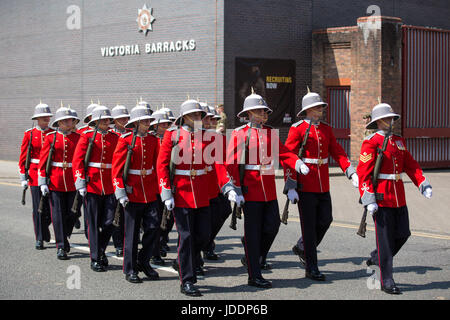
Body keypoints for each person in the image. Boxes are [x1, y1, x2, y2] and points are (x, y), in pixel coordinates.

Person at [157, 99, 240, 297]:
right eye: (194, 115)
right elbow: (162, 165)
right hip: (182, 193)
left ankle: (184, 262)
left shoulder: (208, 137)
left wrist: (227, 186)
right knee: (186, 237)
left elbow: (218, 164)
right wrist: (166, 191)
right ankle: (187, 279)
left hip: (203, 193)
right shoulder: (173, 135)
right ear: (184, 117)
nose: (198, 118)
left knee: (203, 235)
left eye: (199, 115)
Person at [226, 90, 307, 289]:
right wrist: (235, 189)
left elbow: (284, 153)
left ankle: (254, 256)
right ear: (250, 113)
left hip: (268, 190)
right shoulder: (238, 134)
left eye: (265, 112)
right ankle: (254, 274)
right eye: (261, 111)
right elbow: (230, 164)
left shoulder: (270, 133)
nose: (265, 115)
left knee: (272, 227)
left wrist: (296, 163)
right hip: (250, 190)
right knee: (253, 234)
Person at [357, 102, 432, 295]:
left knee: (403, 234)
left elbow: (410, 164)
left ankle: (377, 257)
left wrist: (422, 182)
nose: (392, 121)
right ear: (379, 121)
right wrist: (369, 198)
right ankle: (386, 280)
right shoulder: (371, 142)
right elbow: (363, 173)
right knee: (385, 241)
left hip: (399, 196)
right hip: (381, 197)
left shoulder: (398, 141)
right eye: (388, 118)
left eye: (392, 118)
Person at [284, 90, 358, 281]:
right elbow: (288, 157)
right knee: (308, 227)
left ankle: (302, 247)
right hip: (305, 183)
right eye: (317, 107)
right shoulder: (297, 128)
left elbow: (337, 151)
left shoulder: (326, 129)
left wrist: (349, 170)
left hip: (323, 182)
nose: (321, 109)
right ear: (308, 110)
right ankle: (311, 267)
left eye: (321, 107)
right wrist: (291, 184)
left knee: (326, 219)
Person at [112, 104, 160, 283]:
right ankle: (130, 268)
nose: (148, 123)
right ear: (137, 123)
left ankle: (144, 261)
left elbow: (158, 166)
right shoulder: (125, 140)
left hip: (150, 190)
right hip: (132, 191)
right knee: (131, 233)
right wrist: (121, 192)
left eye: (149, 120)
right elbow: (116, 170)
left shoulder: (153, 140)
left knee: (154, 227)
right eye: (145, 121)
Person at [73, 105, 119, 272]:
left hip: (109, 185)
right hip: (92, 184)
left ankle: (99, 249)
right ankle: (95, 258)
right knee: (92, 223)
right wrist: (80, 183)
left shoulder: (115, 138)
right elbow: (78, 160)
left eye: (109, 120)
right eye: (105, 120)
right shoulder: (86, 137)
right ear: (96, 121)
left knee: (109, 222)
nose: (108, 122)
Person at [38, 106, 81, 260]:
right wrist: (42, 181)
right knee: (57, 215)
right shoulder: (51, 138)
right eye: (65, 120)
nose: (69, 122)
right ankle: (61, 246)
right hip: (56, 181)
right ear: (59, 123)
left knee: (73, 213)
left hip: (73, 181)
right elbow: (43, 161)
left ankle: (66, 235)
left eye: (70, 120)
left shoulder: (78, 138)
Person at [19, 102, 54, 250]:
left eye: (48, 117)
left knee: (50, 208)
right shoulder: (30, 134)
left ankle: (45, 227)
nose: (46, 119)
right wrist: (23, 177)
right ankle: (39, 237)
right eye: (43, 117)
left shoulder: (53, 133)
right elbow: (23, 157)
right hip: (34, 173)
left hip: (51, 173)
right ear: (37, 119)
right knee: (38, 208)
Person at [148, 110, 173, 266]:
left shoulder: (172, 140)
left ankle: (162, 241)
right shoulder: (152, 140)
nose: (166, 126)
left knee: (168, 220)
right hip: (154, 186)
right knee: (155, 221)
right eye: (162, 124)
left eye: (167, 124)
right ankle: (154, 252)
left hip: (169, 185)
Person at [109, 104, 131, 257]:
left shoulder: (131, 134)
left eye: (126, 118)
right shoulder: (110, 134)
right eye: (120, 118)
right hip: (112, 177)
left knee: (125, 214)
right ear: (114, 120)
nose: (124, 121)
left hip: (128, 177)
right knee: (116, 213)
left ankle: (125, 242)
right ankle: (118, 243)